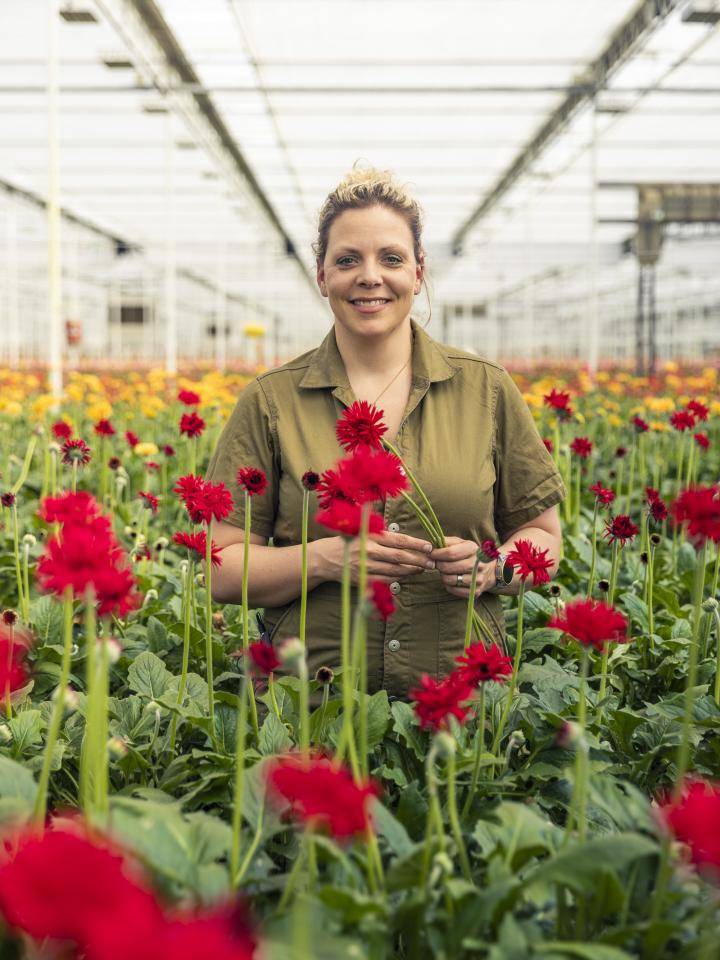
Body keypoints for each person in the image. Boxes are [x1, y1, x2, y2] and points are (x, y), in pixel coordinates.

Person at [207, 164, 565, 700]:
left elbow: (545, 538)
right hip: (309, 706)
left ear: (418, 273)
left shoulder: (486, 390)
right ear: (322, 275)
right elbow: (220, 568)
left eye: (391, 258)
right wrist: (325, 559)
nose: (369, 276)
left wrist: (493, 569)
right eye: (347, 259)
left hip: (462, 701)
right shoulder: (270, 401)